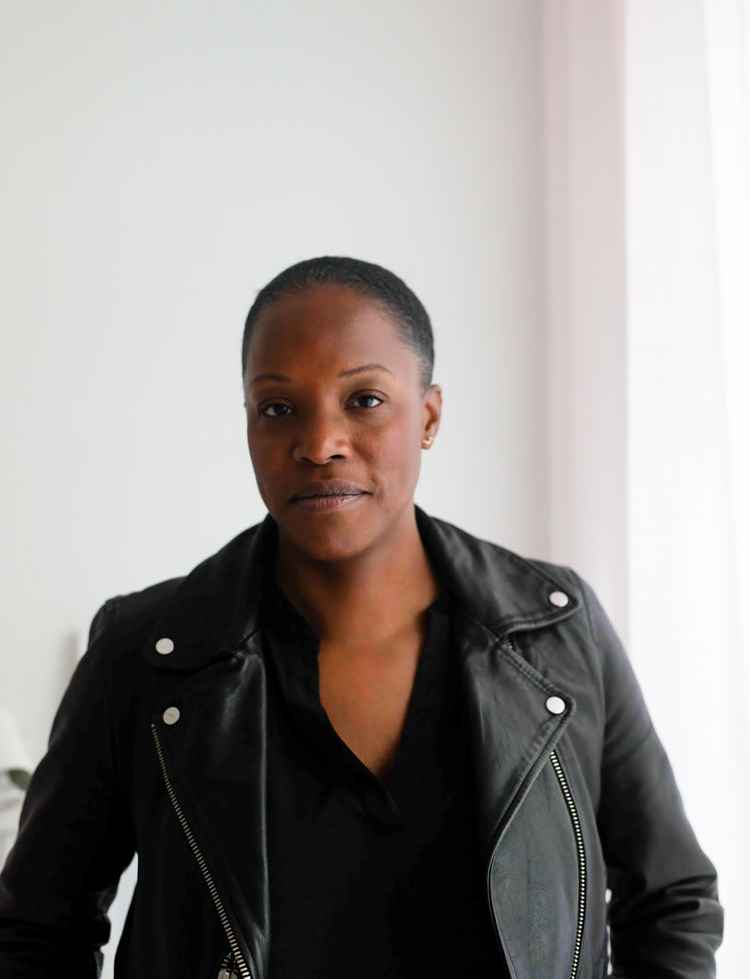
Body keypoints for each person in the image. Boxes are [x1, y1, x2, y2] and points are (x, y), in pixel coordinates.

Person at [0, 256, 723, 978]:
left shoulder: (557, 632)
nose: (320, 445)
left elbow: (672, 901)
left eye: (365, 400)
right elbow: (32, 932)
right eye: (278, 408)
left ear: (429, 416)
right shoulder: (146, 654)